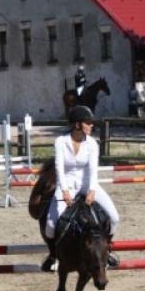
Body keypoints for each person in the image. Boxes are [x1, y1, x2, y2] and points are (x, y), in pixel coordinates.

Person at [41, 105, 120, 272]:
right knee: (49, 224)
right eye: (88, 123)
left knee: (114, 217)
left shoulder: (92, 143)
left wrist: (91, 190)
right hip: (67, 184)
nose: (92, 126)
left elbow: (93, 169)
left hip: (87, 183)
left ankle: (108, 250)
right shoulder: (60, 142)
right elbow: (59, 168)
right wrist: (64, 191)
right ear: (77, 125)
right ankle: (52, 255)